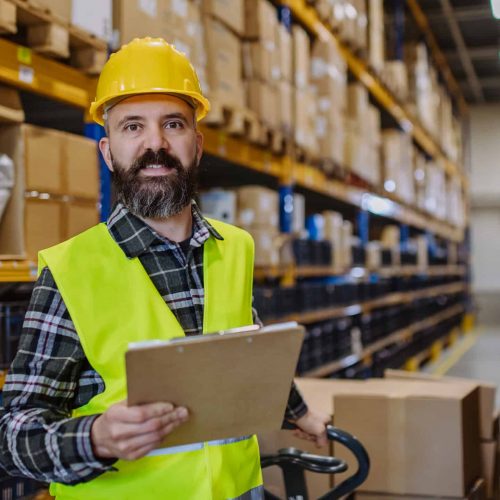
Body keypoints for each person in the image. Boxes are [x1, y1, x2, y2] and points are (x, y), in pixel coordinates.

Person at [0, 38, 329, 499]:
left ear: (196, 144)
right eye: (132, 126)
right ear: (109, 152)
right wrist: (95, 439)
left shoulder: (235, 248)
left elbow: (246, 354)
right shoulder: (71, 270)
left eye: (172, 124)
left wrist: (301, 414)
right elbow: (13, 433)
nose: (155, 144)